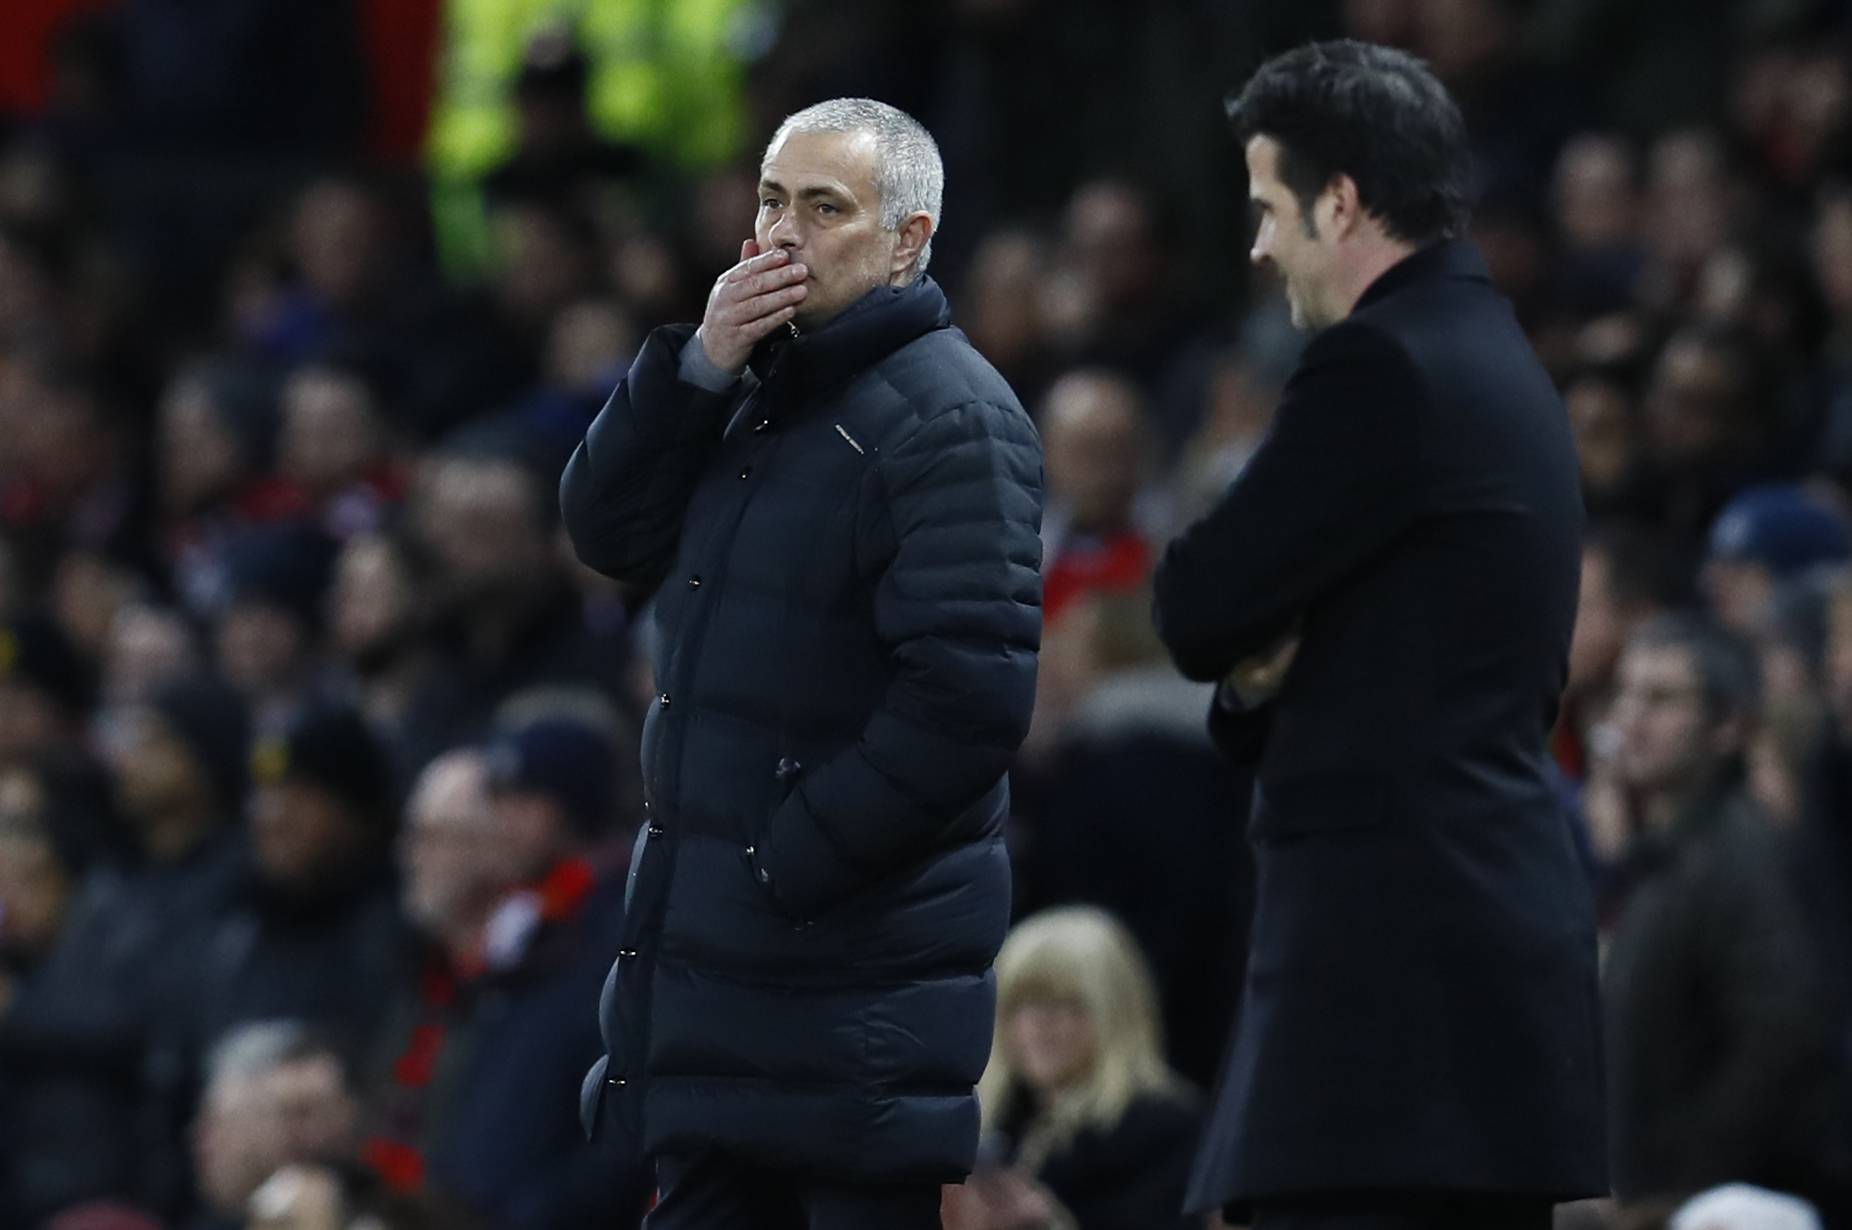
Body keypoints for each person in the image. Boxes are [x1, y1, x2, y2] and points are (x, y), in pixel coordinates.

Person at [560, 97, 1043, 1228]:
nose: (782, 235)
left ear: (906, 241)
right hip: (728, 1007)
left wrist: (783, 860)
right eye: (771, 202)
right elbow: (604, 532)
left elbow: (967, 701)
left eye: (825, 209)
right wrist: (696, 370)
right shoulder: (755, 392)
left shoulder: (952, 418)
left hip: (844, 1005)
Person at [1151, 41, 1607, 1229]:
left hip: (1390, 1009)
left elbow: (1196, 603)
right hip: (1471, 999)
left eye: (1267, 209)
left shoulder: (1379, 366)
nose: (1256, 245)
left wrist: (1254, 654)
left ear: (1339, 202)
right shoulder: (1501, 365)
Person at [1601, 616, 1839, 1208]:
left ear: (1729, 724)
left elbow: (1782, 1033)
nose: (1630, 718)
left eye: (1660, 699)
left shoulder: (1739, 857)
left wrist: (1680, 1181)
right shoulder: (1664, 852)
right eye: (1625, 693)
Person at [953, 906, 1201, 1230]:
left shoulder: (1163, 1131)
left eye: (1066, 1002)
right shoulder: (995, 1125)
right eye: (1020, 1004)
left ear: (1113, 1011)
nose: (1037, 1024)